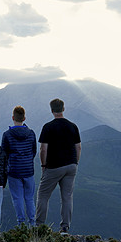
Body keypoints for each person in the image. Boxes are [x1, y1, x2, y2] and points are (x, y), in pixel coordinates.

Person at [35, 98, 81, 234]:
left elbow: (43, 148)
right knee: (67, 197)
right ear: (63, 109)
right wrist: (75, 162)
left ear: (51, 110)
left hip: (54, 166)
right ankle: (65, 227)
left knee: (43, 195)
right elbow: (78, 147)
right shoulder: (73, 126)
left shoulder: (48, 127)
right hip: (71, 165)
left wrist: (43, 165)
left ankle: (39, 225)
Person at [1, 106, 37, 226]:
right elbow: (33, 151)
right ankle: (32, 223)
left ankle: (21, 224)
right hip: (28, 170)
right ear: (24, 118)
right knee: (29, 198)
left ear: (13, 118)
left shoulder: (7, 135)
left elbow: (4, 154)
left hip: (14, 171)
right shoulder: (31, 133)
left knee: (17, 198)